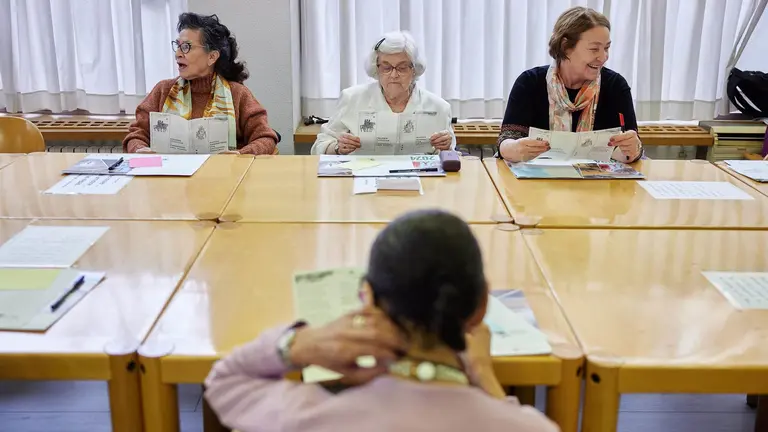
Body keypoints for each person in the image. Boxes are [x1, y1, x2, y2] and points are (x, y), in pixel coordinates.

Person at [204, 209, 558, 432]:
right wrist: (489, 385)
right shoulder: (528, 427)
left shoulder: (305, 416)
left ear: (368, 299)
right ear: (480, 307)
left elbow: (224, 381)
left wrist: (298, 344)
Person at [497, 7, 643, 163]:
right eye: (594, 49)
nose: (603, 57)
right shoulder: (529, 82)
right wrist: (514, 148)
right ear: (566, 46)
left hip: (598, 184)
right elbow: (508, 139)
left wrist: (632, 149)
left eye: (606, 48)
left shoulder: (615, 86)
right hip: (537, 184)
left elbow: (628, 148)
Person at [123, 13, 277, 155]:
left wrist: (240, 156)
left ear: (212, 57)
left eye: (186, 47)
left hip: (224, 180)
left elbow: (266, 138)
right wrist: (139, 149)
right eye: (178, 46)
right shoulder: (163, 90)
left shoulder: (237, 94)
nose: (178, 53)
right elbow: (136, 134)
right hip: (170, 181)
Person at [311, 31, 455, 155]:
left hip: (420, 181)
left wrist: (446, 148)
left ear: (414, 69)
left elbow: (450, 155)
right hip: (362, 181)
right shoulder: (352, 99)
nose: (393, 75)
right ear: (376, 69)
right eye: (386, 67)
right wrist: (338, 148)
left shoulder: (439, 108)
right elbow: (319, 146)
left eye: (402, 67)